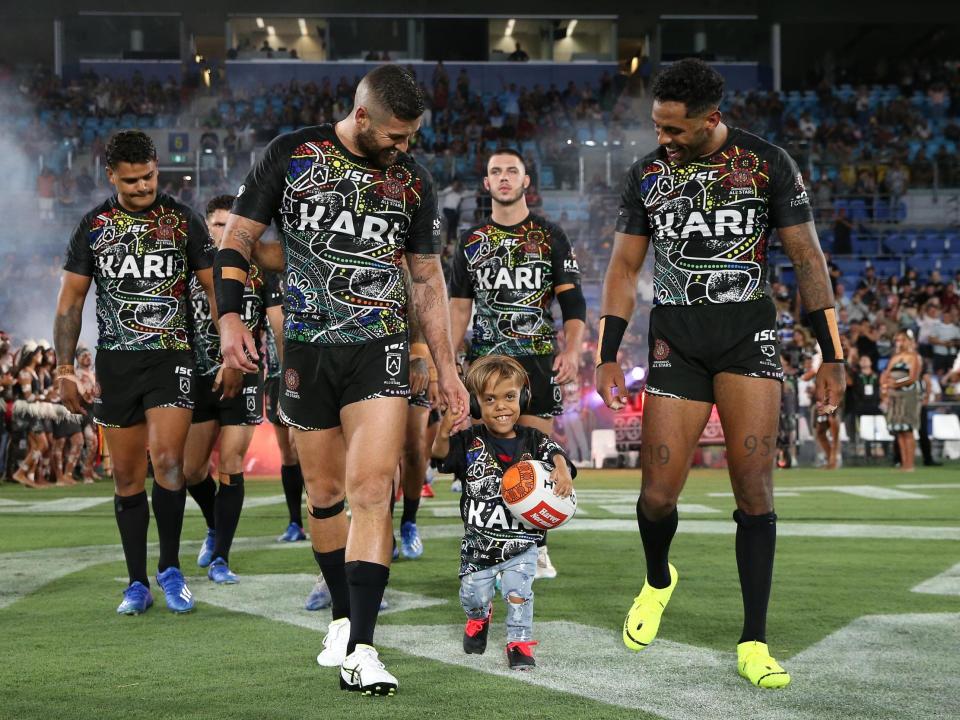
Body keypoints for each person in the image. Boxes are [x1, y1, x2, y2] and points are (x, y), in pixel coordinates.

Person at [215, 65, 469, 696]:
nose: (404, 147)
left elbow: (426, 281)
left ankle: (361, 646)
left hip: (376, 350)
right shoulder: (291, 155)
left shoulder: (413, 181)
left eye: (411, 136)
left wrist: (445, 368)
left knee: (372, 490)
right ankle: (339, 614)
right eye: (395, 135)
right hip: (305, 350)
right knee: (324, 496)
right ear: (362, 117)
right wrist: (227, 322)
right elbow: (236, 245)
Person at [595, 58, 844, 689]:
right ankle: (658, 580)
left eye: (676, 130)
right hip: (676, 339)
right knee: (655, 496)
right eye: (658, 127)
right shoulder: (648, 174)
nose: (664, 140)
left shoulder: (768, 163)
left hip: (747, 337)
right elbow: (624, 270)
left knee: (754, 489)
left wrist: (832, 355)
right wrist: (607, 353)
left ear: (712, 118)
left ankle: (754, 638)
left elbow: (807, 259)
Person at [53, 130, 217, 615]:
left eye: (148, 176)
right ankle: (136, 583)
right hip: (117, 362)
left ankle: (170, 569)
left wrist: (226, 348)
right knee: (125, 476)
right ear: (111, 176)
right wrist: (65, 369)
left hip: (172, 356)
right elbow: (70, 303)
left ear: (156, 167)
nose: (143, 187)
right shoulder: (94, 226)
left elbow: (214, 290)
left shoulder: (184, 221)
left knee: (168, 462)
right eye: (131, 181)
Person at [448, 148, 586, 580]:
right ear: (486, 185)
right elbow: (457, 308)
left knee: (535, 458)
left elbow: (573, 301)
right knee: (485, 463)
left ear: (527, 181)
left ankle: (536, 548)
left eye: (512, 171)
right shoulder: (471, 242)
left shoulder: (551, 236)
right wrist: (449, 359)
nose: (504, 177)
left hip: (539, 360)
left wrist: (574, 349)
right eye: (495, 172)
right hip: (486, 363)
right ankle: (485, 546)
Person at [431, 354, 575, 670]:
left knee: (519, 594)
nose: (501, 406)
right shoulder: (469, 441)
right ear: (475, 404)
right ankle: (478, 618)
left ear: (522, 396)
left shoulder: (535, 440)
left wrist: (562, 470)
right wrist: (444, 429)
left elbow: (558, 455)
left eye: (509, 396)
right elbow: (440, 456)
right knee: (473, 597)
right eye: (490, 399)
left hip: (521, 544)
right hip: (478, 547)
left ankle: (519, 643)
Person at [183, 195, 284, 583]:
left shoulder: (259, 270)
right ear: (206, 228)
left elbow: (276, 326)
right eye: (217, 224)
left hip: (245, 376)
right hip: (196, 376)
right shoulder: (191, 268)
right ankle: (215, 526)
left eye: (231, 224)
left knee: (230, 464)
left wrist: (287, 374)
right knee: (192, 471)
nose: (224, 231)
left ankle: (221, 556)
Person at [880, 329, 922, 472]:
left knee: (907, 429)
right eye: (897, 340)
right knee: (899, 430)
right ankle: (904, 463)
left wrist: (895, 384)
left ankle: (910, 464)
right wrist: (885, 388)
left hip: (908, 395)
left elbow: (913, 377)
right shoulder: (894, 358)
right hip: (894, 396)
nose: (899, 343)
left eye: (902, 340)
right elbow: (886, 374)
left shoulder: (914, 357)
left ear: (909, 341)